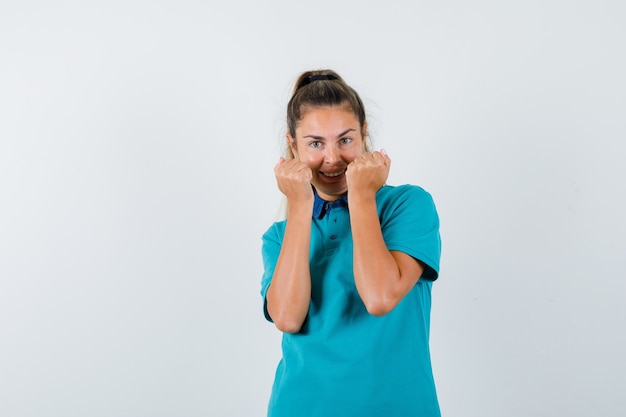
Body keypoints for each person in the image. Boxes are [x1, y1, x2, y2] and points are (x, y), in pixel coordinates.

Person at [260, 69, 442, 417]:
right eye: (315, 143)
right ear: (293, 146)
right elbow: (286, 317)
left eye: (345, 140)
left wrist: (361, 193)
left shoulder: (407, 206)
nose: (332, 158)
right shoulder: (279, 236)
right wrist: (300, 205)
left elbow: (379, 297)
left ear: (363, 135)